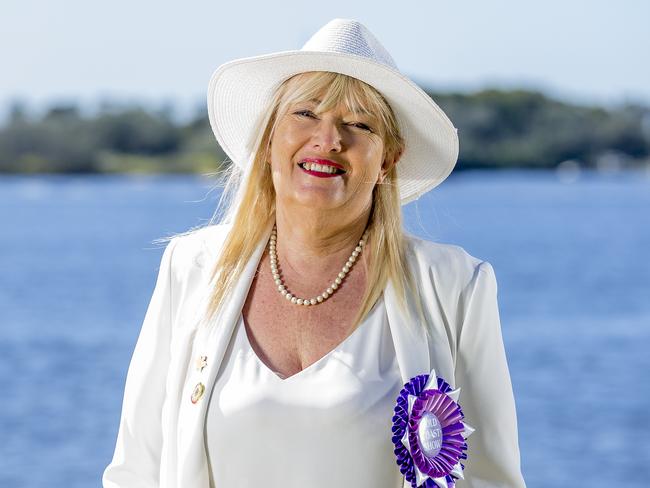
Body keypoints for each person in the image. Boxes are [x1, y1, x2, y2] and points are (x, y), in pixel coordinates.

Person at [103, 18, 526, 488]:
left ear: (388, 160)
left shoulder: (456, 287)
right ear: (267, 140)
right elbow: (136, 470)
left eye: (358, 124)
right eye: (306, 114)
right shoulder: (193, 269)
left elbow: (493, 480)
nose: (328, 140)